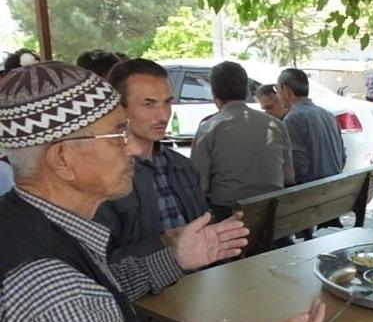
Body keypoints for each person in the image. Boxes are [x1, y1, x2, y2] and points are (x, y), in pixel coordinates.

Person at [0, 61, 324, 322]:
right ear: (63, 159)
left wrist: (174, 259)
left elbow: (100, 288)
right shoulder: (58, 291)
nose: (133, 148)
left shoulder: (21, 222)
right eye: (117, 134)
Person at [95, 59, 207, 262]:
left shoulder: (183, 167)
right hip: (139, 291)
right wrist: (163, 245)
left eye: (167, 102)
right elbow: (99, 263)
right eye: (149, 104)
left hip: (195, 282)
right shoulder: (102, 177)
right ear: (119, 109)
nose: (163, 115)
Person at [191, 61, 294, 221]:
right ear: (246, 88)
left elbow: (200, 187)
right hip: (273, 216)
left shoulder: (209, 128)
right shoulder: (275, 124)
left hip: (229, 217)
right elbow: (289, 177)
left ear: (214, 92)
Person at [277, 68, 346, 184]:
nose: (277, 94)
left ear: (285, 89)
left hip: (310, 193)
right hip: (334, 188)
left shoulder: (293, 119)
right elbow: (342, 159)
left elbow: (299, 166)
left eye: (277, 88)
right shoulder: (327, 115)